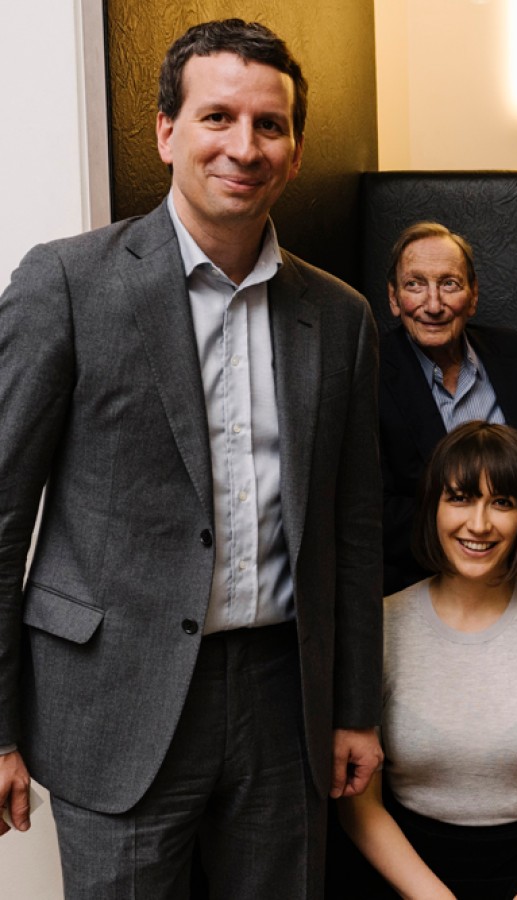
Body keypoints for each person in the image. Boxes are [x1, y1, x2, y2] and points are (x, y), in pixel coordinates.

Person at [0, 19, 383, 898]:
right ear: (167, 131)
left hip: (284, 704)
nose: (243, 147)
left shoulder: (341, 316)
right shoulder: (65, 284)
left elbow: (353, 529)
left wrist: (353, 706)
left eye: (269, 125)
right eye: (217, 118)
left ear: (293, 150)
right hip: (113, 701)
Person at [340, 421, 517, 899]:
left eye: (502, 503)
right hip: (405, 877)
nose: (479, 524)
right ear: (431, 507)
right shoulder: (379, 628)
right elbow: (359, 805)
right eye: (460, 498)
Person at [377, 221, 517, 594]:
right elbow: (372, 512)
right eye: (414, 284)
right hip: (425, 579)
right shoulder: (367, 374)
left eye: (449, 284)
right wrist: (488, 531)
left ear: (473, 295)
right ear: (393, 298)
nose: (433, 305)